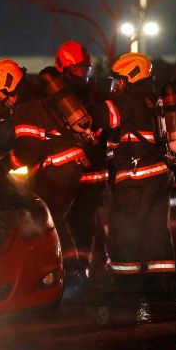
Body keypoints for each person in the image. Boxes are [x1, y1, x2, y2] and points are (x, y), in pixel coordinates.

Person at [0, 58, 86, 276]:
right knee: (56, 219)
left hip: (57, 167)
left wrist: (2, 166)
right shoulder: (37, 98)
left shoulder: (26, 107)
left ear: (8, 87)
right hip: (68, 164)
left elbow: (28, 151)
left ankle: (68, 273)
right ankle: (73, 271)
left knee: (48, 220)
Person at [106, 52, 176, 295]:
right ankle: (162, 282)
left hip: (137, 175)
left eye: (120, 79)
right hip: (160, 173)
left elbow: (103, 116)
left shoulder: (129, 100)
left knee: (124, 226)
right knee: (157, 229)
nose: (118, 85)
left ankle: (126, 284)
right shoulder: (154, 98)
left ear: (132, 76)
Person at [53, 41, 116, 279]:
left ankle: (87, 270)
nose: (84, 74)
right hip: (68, 176)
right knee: (72, 223)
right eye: (78, 69)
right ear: (64, 69)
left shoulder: (93, 96)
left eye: (86, 69)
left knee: (85, 222)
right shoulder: (57, 101)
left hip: (91, 174)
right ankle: (81, 268)